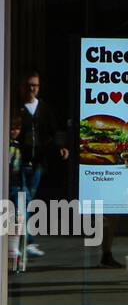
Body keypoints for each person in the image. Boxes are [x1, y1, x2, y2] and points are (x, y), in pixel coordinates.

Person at [9, 70, 68, 260]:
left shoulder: (44, 109)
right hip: (18, 162)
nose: (31, 89)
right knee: (23, 201)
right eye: (28, 85)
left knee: (28, 201)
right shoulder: (15, 107)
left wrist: (60, 147)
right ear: (21, 87)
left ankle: (24, 241)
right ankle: (27, 242)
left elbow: (53, 131)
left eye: (35, 85)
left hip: (38, 163)